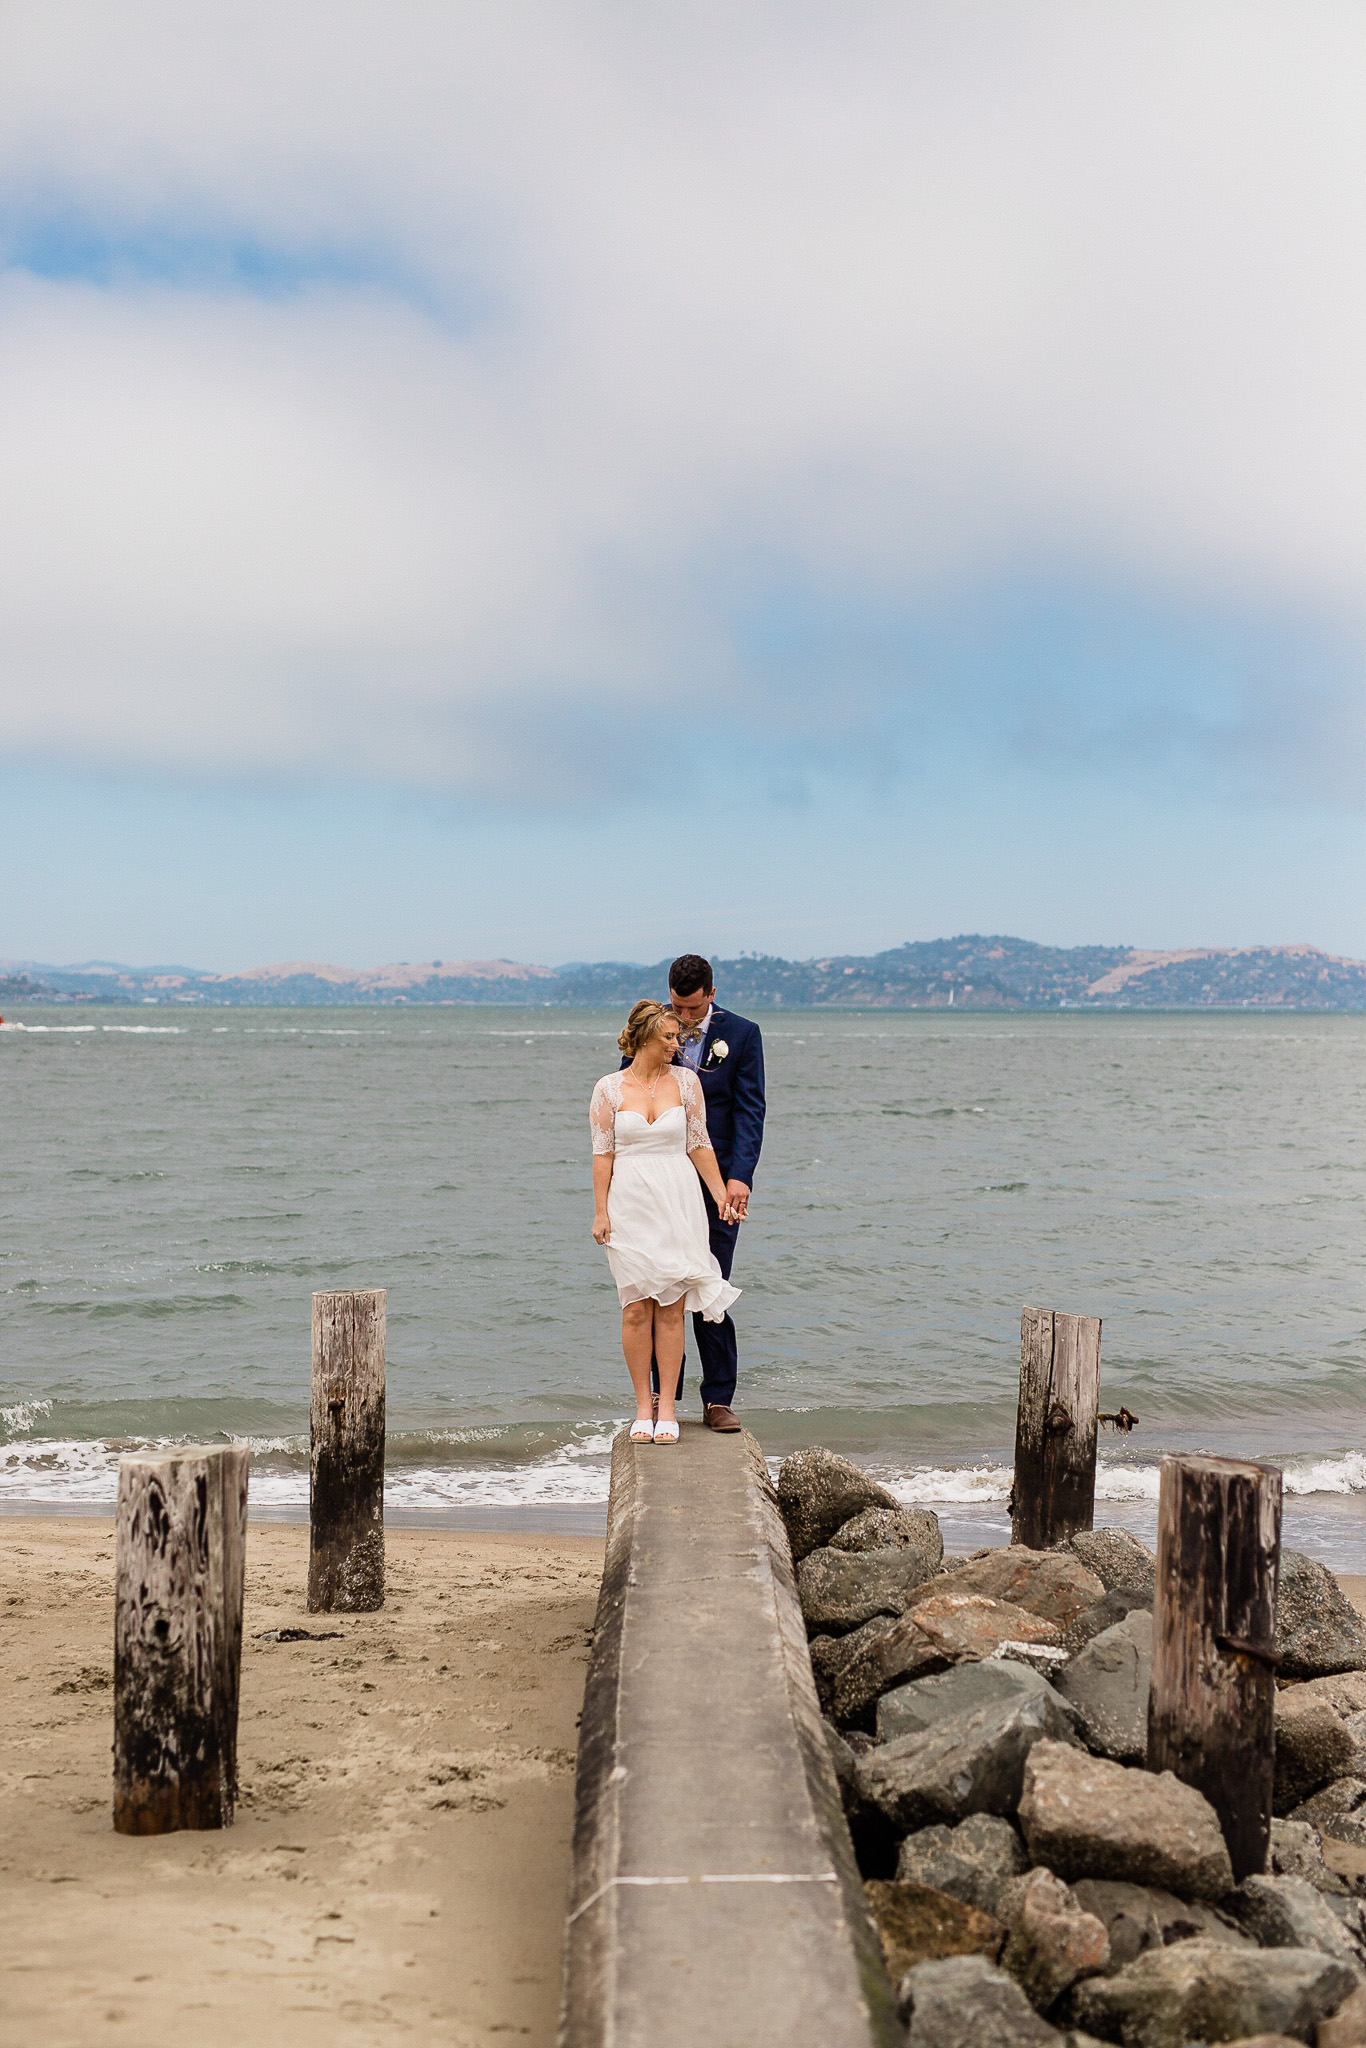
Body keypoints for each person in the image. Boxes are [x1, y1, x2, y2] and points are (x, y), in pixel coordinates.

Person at [590, 1000, 741, 1444]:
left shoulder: (687, 1083)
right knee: (636, 1308)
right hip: (630, 1200)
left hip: (678, 1197)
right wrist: (600, 1211)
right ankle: (643, 1405)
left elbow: (700, 1145)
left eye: (679, 1037)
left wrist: (720, 1195)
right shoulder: (609, 1089)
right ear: (643, 1037)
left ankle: (669, 1409)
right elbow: (603, 1155)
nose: (677, 1045)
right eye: (669, 1037)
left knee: (672, 1309)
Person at [626, 953, 766, 1432]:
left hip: (716, 1181)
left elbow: (751, 1111)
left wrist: (739, 1178)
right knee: (655, 1288)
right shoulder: (653, 1031)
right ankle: (664, 1400)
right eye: (676, 1008)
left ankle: (717, 1400)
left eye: (692, 1010)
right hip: (656, 1186)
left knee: (710, 1285)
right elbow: (630, 1099)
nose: (683, 1021)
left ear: (711, 993)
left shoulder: (743, 1035)